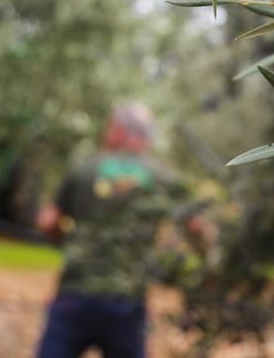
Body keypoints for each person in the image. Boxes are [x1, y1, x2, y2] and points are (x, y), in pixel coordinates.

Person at [34, 104, 199, 358]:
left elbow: (48, 222)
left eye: (109, 127)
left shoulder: (85, 168)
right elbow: (197, 227)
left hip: (76, 291)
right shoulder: (163, 177)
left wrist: (62, 238)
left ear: (120, 131)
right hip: (127, 299)